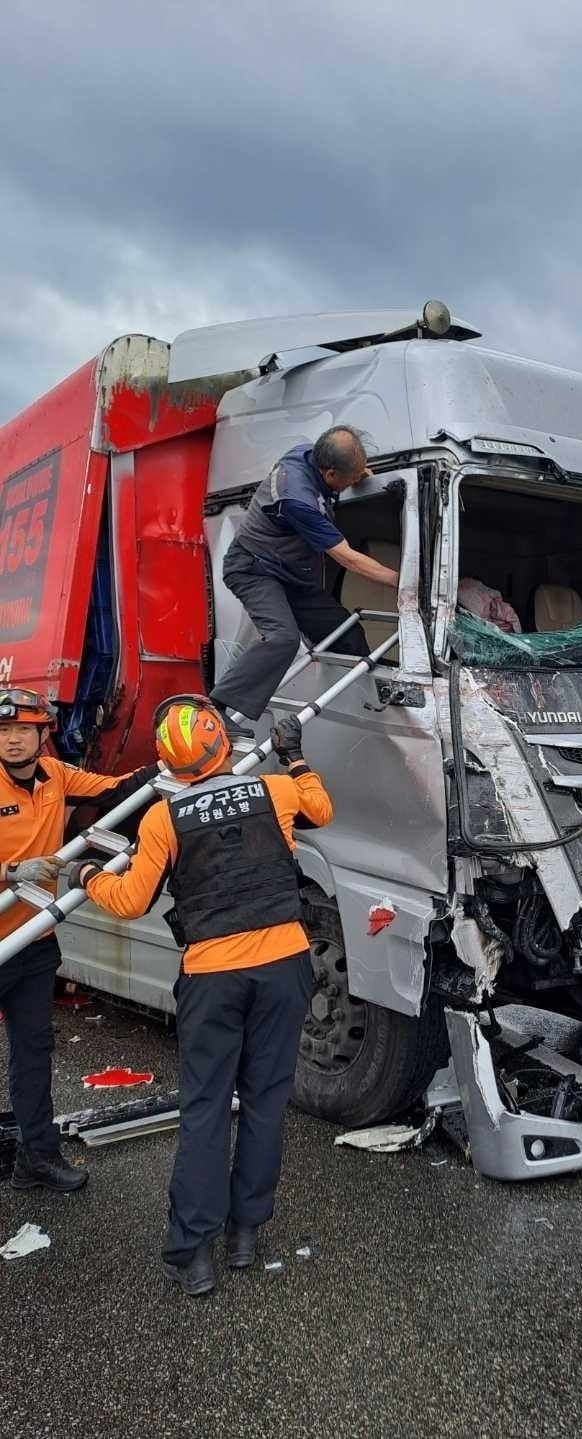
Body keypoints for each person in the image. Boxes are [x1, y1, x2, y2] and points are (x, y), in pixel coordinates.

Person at [67, 695, 332, 1297]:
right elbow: (322, 806)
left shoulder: (163, 819)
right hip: (284, 966)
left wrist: (86, 874)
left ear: (170, 763)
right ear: (223, 743)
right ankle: (245, 1235)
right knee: (266, 1105)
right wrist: (293, 758)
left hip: (214, 979)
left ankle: (192, 1256)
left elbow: (131, 901)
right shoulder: (273, 791)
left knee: (207, 1109)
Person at [0, 688, 158, 1193]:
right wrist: (10, 871)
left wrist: (171, 763)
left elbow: (115, 791)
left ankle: (37, 1160)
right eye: (3, 732)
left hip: (33, 940)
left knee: (34, 1051)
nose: (13, 740)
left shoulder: (56, 776)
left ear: (42, 734)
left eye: (24, 730)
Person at [209, 425, 399, 740]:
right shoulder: (297, 498)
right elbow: (348, 559)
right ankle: (217, 707)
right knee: (282, 638)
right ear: (328, 474)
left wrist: (355, 473)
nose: (353, 482)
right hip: (253, 568)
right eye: (349, 479)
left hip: (291, 574)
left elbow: (341, 472)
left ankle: (360, 701)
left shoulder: (310, 453)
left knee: (347, 631)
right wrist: (405, 581)